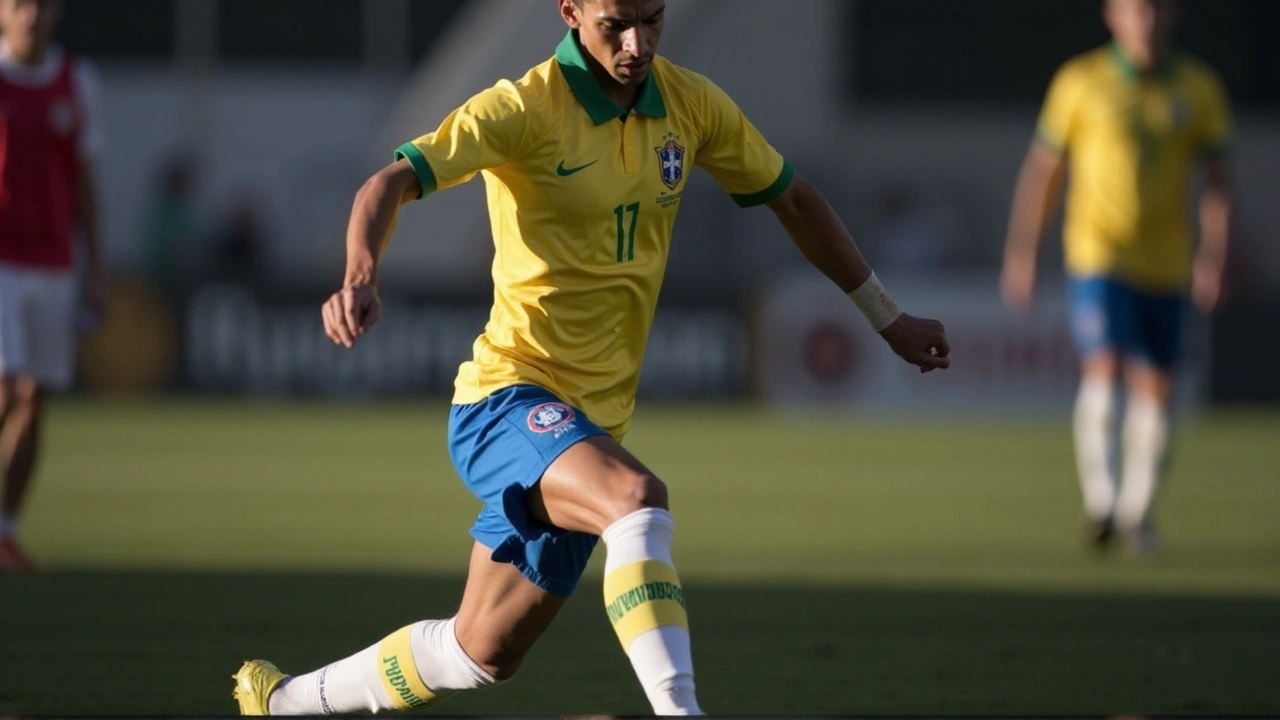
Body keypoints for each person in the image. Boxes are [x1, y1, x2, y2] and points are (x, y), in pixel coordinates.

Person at [233, 0, 950, 714]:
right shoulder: (522, 109)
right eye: (616, 25)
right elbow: (386, 183)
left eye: (653, 19)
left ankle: (285, 704)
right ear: (571, 12)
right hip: (505, 400)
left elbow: (793, 202)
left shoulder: (690, 104)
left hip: (590, 425)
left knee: (481, 652)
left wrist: (886, 319)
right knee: (637, 503)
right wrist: (360, 275)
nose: (638, 43)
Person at [1001, 0, 1231, 555]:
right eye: (1135, 9)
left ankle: (1136, 513)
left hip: (1168, 262)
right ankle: (1101, 502)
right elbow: (1044, 172)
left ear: (1171, 15)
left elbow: (1218, 182)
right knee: (1103, 364)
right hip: (1098, 252)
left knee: (1157, 385)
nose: (1144, 20)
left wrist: (1213, 256)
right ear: (1113, 15)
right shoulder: (1082, 81)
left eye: (1154, 9)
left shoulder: (1197, 87)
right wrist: (1022, 252)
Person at [0, 0, 106, 572]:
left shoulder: (76, 81)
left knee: (34, 398)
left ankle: (7, 531)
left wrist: (99, 271)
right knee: (3, 386)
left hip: (55, 262)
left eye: (41, 4)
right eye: (19, 4)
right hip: (1, 262)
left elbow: (85, 182)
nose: (31, 14)